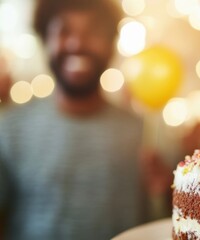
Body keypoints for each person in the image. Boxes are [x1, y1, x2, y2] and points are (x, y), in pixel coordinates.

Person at [0, 0, 146, 239]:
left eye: (92, 32)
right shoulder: (9, 129)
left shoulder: (143, 132)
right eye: (63, 30)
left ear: (111, 45)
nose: (77, 43)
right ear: (45, 41)